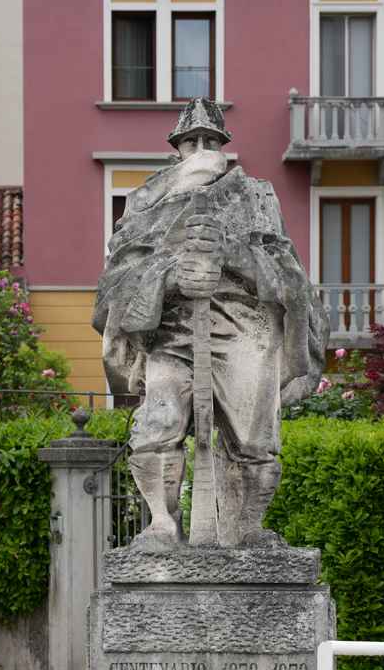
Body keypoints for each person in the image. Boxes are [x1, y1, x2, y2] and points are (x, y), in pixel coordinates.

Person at [93, 98, 328, 550]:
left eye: (210, 140)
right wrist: (168, 275)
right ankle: (162, 523)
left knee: (255, 438)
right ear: (176, 150)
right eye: (191, 141)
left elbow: (289, 273)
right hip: (171, 331)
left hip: (244, 328)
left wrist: (235, 257)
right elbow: (117, 278)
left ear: (224, 146)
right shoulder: (146, 204)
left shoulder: (255, 197)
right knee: (157, 425)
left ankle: (249, 527)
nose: (201, 147)